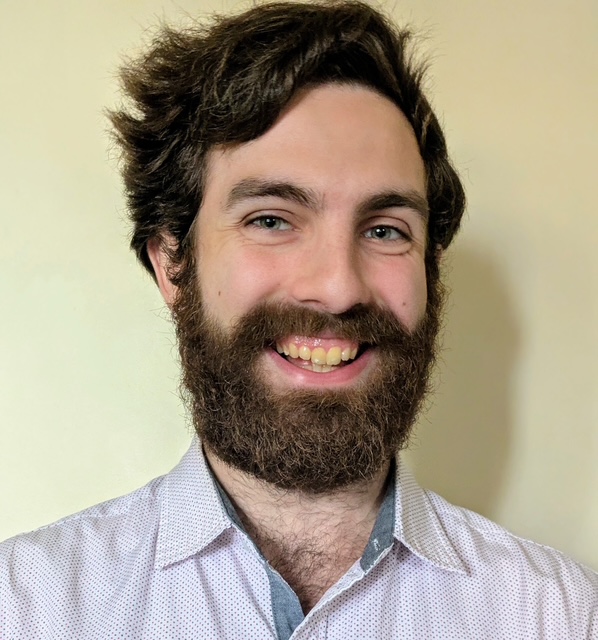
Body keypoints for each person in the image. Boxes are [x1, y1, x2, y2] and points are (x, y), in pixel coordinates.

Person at [1, 1, 596, 638]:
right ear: (173, 262)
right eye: (271, 220)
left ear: (431, 273)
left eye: (386, 230)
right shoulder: (25, 607)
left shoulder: (558, 613)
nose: (338, 289)